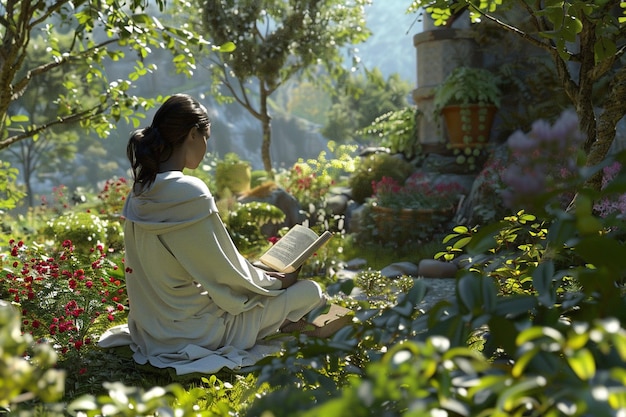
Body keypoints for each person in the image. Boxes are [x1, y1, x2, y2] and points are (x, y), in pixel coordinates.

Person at [98, 94, 325, 375]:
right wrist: (278, 282)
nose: (206, 146)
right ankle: (291, 324)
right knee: (310, 291)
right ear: (193, 134)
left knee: (270, 288)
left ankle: (286, 322)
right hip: (196, 333)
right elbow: (227, 277)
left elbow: (203, 264)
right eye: (206, 137)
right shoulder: (190, 191)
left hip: (152, 332)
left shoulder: (140, 191)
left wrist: (253, 270)